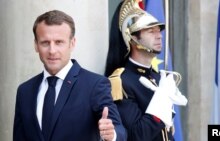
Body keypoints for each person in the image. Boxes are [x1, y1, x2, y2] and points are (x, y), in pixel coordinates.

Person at [13, 10, 127, 141]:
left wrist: (112, 135)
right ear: (36, 45)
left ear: (72, 43)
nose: (52, 51)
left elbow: (119, 130)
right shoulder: (25, 91)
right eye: (45, 43)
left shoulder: (95, 85)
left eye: (59, 42)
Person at [105, 0, 188, 141]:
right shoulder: (121, 82)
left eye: (158, 31)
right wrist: (161, 101)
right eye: (151, 31)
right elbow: (137, 135)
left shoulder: (158, 77)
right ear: (132, 38)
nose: (159, 36)